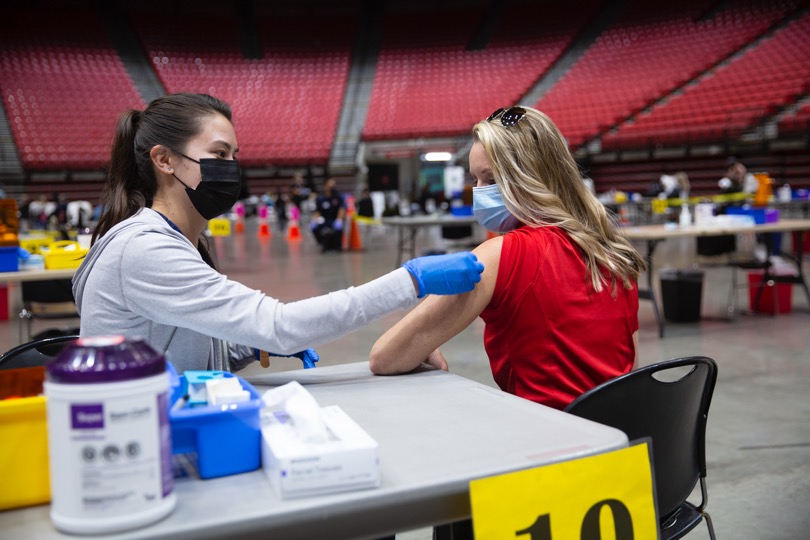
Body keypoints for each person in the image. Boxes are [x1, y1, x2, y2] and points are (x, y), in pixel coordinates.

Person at [72, 93, 484, 374]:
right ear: (164, 160)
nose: (231, 166)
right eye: (218, 154)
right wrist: (410, 279)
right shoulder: (144, 248)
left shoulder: (179, 240)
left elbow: (185, 347)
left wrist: (250, 346)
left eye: (235, 154)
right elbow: (280, 323)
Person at [370, 106, 646, 411]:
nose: (479, 193)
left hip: (554, 444)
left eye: (490, 180)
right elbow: (628, 367)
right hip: (623, 444)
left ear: (531, 176)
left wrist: (425, 345)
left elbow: (385, 357)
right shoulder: (612, 251)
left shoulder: (502, 255)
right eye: (475, 180)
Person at [310, 177, 345, 252]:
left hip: (334, 219)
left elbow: (341, 209)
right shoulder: (321, 198)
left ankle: (337, 245)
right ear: (325, 185)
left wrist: (339, 220)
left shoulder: (338, 197)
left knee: (338, 229)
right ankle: (322, 243)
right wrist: (314, 220)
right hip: (325, 219)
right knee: (315, 228)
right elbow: (318, 211)